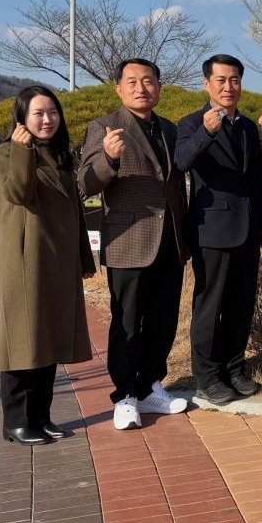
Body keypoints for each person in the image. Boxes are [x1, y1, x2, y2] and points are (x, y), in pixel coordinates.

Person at [79, 58, 190, 430]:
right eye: (132, 81)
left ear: (159, 85)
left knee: (163, 319)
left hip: (170, 241)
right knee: (127, 322)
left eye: (148, 80)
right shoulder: (104, 127)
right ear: (119, 89)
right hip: (130, 240)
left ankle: (150, 387)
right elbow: (85, 184)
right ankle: (125, 395)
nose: (141, 87)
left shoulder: (170, 131)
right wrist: (109, 157)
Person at [0, 86, 94, 445]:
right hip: (27, 261)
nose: (47, 120)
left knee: (47, 340)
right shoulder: (7, 153)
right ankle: (16, 421)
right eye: (38, 113)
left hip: (57, 260)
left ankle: (41, 416)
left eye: (52, 112)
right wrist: (23, 151)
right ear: (22, 118)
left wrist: (84, 258)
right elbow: (20, 193)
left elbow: (75, 213)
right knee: (23, 341)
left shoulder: (60, 155)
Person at [175, 54, 262, 404]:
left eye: (235, 80)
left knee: (240, 304)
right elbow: (182, 161)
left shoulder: (247, 126)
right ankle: (207, 376)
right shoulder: (190, 124)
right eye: (221, 80)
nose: (229, 87)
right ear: (206, 84)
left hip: (247, 230)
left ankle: (234, 369)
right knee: (209, 305)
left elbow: (256, 181)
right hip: (211, 229)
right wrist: (206, 133)